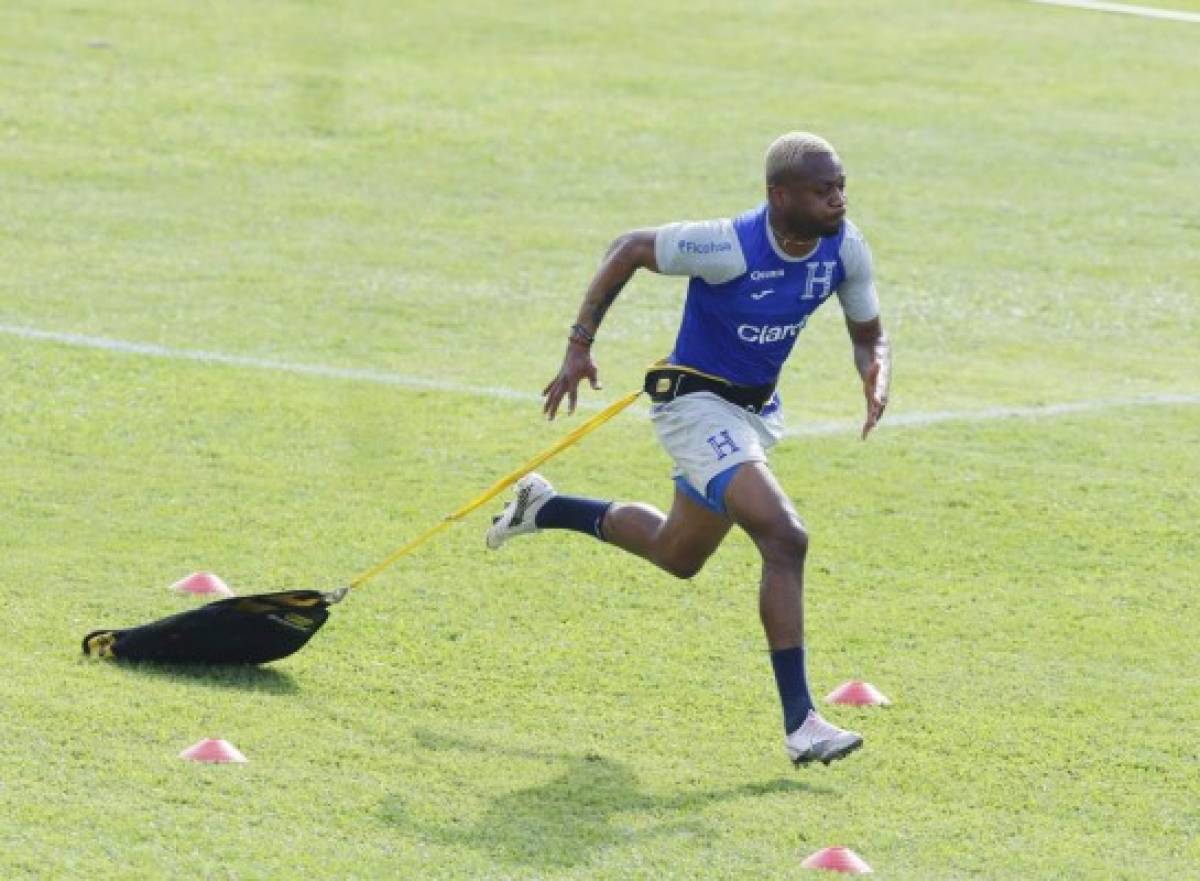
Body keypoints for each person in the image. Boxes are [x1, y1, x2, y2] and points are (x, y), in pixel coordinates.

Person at [486, 132, 891, 766]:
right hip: (694, 407)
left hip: (755, 415)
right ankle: (802, 724)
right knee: (785, 536)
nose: (839, 200)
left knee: (678, 553)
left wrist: (875, 371)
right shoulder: (728, 245)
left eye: (841, 187)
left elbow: (869, 334)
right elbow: (629, 248)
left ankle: (545, 507)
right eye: (823, 191)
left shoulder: (844, 248)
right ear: (780, 196)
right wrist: (578, 344)